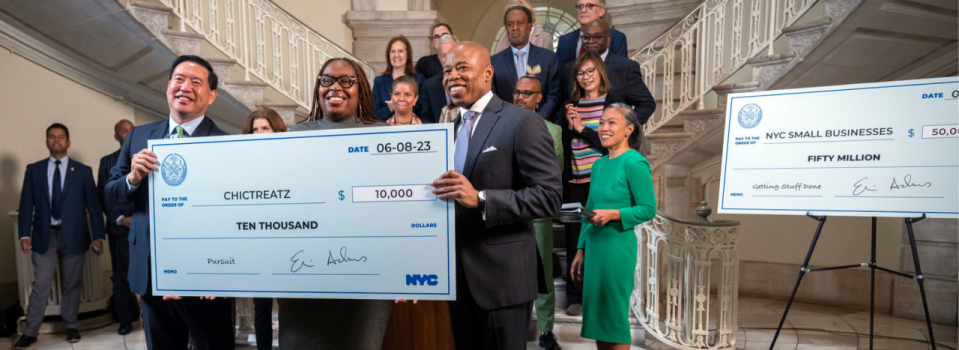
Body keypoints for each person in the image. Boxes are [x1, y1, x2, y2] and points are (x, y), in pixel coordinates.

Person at [430, 41, 561, 350]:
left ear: (488, 73)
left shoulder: (522, 122)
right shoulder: (447, 131)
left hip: (503, 281)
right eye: (447, 70)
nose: (452, 76)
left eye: (462, 67)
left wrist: (483, 199)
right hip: (455, 281)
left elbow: (549, 196)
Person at [104, 55, 234, 350]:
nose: (185, 87)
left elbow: (232, 216)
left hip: (205, 281)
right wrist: (132, 179)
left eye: (196, 82)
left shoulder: (225, 144)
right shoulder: (138, 137)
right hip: (152, 277)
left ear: (211, 96)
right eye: (179, 78)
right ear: (168, 87)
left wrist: (222, 274)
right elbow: (111, 194)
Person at [279, 57, 391, 350]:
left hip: (365, 279)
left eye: (346, 80)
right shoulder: (293, 136)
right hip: (302, 276)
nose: (335, 87)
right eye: (326, 80)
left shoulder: (384, 137)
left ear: (362, 89)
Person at [570, 104, 655, 349]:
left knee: (614, 317)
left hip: (617, 249)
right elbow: (590, 207)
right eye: (602, 122)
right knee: (599, 318)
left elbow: (648, 208)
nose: (604, 128)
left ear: (629, 129)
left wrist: (614, 214)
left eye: (612, 123)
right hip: (595, 248)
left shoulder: (635, 163)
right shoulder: (598, 164)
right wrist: (580, 249)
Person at [14, 124, 105, 349]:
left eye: (61, 137)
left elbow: (93, 207)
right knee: (41, 284)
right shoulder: (33, 170)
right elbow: (26, 205)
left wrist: (98, 237)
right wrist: (24, 234)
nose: (56, 141)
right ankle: (30, 331)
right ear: (46, 142)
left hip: (75, 235)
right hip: (45, 236)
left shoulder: (83, 171)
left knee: (72, 283)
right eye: (52, 137)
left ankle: (71, 326)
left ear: (68, 142)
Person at [512, 76, 564, 350]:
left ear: (539, 98)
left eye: (527, 93)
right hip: (507, 212)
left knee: (542, 276)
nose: (520, 97)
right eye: (517, 92)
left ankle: (546, 331)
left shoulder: (553, 130)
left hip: (538, 215)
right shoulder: (501, 124)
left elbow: (554, 173)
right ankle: (514, 329)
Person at [240, 108, 287, 350]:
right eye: (254, 130)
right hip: (256, 240)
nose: (258, 134)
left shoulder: (291, 160)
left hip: (287, 239)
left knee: (289, 305)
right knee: (262, 305)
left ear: (276, 130)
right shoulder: (242, 165)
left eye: (264, 128)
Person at [556, 20, 655, 126]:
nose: (591, 41)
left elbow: (646, 103)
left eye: (597, 36)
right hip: (576, 138)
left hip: (612, 139)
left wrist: (626, 129)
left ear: (608, 40)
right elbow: (563, 102)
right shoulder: (569, 68)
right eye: (586, 37)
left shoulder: (626, 67)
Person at [96, 119, 139, 336]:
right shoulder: (107, 162)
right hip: (119, 229)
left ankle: (149, 315)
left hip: (144, 228)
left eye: (131, 130)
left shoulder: (146, 159)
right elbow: (104, 197)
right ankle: (124, 320)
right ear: (117, 137)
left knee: (150, 275)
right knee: (121, 277)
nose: (128, 133)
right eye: (124, 131)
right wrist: (122, 219)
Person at [491, 5, 561, 120]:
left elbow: (554, 97)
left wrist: (537, 121)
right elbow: (493, 99)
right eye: (510, 24)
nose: (515, 28)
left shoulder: (548, 58)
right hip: (507, 125)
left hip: (542, 125)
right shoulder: (494, 62)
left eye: (520, 23)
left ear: (529, 27)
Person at [555, 0, 628, 69]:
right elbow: (560, 74)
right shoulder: (564, 40)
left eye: (589, 6)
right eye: (580, 6)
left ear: (601, 11)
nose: (583, 10)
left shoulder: (617, 37)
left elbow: (621, 72)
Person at [373, 36, 425, 121]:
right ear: (388, 55)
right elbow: (374, 113)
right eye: (393, 51)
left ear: (407, 54)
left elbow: (423, 109)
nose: (396, 55)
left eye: (400, 51)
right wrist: (389, 109)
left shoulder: (419, 80)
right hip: (385, 130)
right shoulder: (379, 81)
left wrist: (401, 106)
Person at [415, 33, 458, 123]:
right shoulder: (429, 86)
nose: (448, 59)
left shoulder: (469, 80)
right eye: (443, 55)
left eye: (451, 53)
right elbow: (427, 119)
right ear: (438, 56)